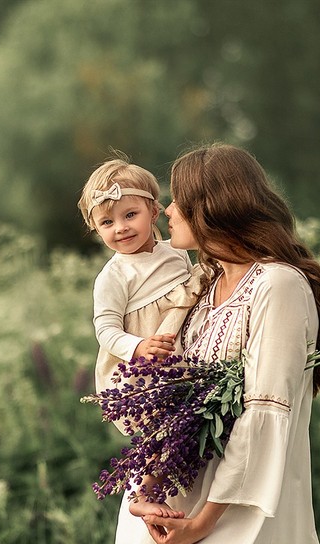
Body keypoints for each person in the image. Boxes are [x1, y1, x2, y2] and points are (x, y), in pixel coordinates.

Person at [113, 143, 320, 544]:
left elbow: (267, 413)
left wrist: (204, 521)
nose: (166, 211)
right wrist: (148, 483)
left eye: (178, 201)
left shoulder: (278, 286)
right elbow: (172, 400)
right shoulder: (203, 284)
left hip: (229, 501)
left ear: (213, 207)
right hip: (174, 492)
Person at [78, 157, 204, 520]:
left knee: (184, 426)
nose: (120, 228)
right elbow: (105, 329)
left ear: (154, 210)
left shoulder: (177, 252)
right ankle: (144, 493)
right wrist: (137, 346)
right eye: (107, 222)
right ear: (96, 229)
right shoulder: (114, 276)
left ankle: (179, 487)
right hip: (141, 367)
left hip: (178, 355)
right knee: (160, 428)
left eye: (129, 215)